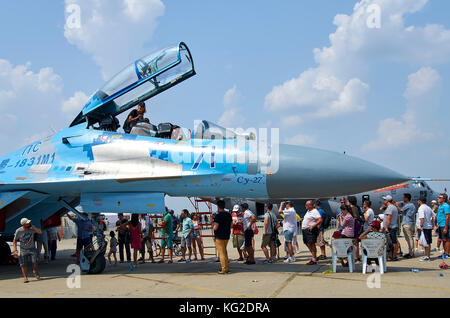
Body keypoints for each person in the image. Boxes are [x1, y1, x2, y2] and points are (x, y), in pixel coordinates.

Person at [12, 218, 43, 282]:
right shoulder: (19, 231)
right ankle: (25, 277)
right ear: (23, 224)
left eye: (29, 223)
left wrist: (34, 227)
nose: (29, 224)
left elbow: (40, 232)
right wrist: (15, 248)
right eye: (27, 223)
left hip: (32, 249)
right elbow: (14, 240)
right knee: (23, 264)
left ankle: (35, 271)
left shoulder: (32, 229)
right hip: (23, 250)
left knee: (35, 262)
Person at [213, 200, 232, 274]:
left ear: (218, 207)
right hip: (226, 235)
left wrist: (213, 224)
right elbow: (231, 225)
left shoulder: (218, 216)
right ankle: (226, 267)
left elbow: (216, 227)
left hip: (219, 236)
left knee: (221, 253)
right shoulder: (228, 214)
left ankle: (224, 269)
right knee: (224, 252)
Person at [301, 200, 323, 265]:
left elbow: (320, 219)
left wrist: (313, 226)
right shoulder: (308, 211)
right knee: (307, 243)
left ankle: (314, 259)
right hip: (305, 230)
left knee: (311, 244)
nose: (305, 206)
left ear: (311, 205)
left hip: (310, 230)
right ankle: (314, 257)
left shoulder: (314, 211)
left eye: (307, 205)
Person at [397, 193, 416, 258]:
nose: (403, 198)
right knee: (408, 239)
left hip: (407, 224)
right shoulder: (411, 205)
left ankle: (411, 253)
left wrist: (396, 206)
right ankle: (410, 252)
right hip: (408, 223)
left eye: (404, 197)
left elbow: (400, 211)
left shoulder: (408, 205)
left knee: (409, 238)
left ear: (406, 198)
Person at [382, 195, 399, 261]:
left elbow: (388, 218)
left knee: (391, 242)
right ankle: (393, 256)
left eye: (384, 200)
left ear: (387, 201)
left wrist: (386, 227)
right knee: (394, 241)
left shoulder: (390, 208)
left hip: (390, 227)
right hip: (394, 226)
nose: (384, 201)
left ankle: (392, 256)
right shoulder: (394, 207)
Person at [436, 193, 450, 259]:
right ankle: (444, 252)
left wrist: (446, 227)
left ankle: (447, 253)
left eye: (439, 197)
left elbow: (447, 216)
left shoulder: (446, 206)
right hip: (440, 225)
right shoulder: (440, 206)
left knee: (446, 239)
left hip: (444, 225)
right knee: (443, 239)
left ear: (443, 199)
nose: (438, 198)